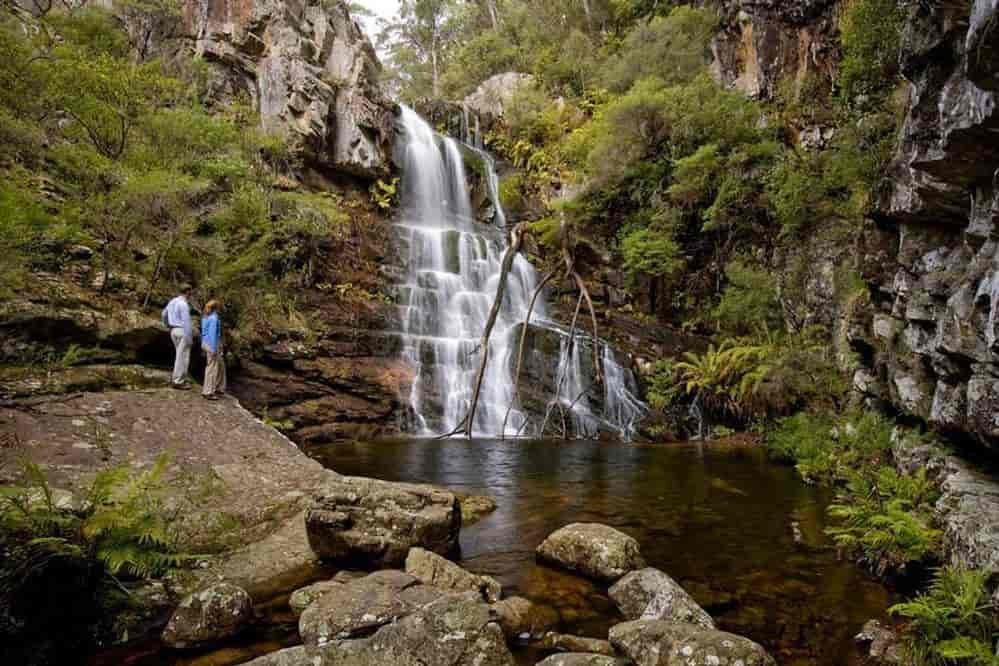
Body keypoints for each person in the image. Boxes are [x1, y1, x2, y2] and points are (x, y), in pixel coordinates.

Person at [162, 284, 194, 389]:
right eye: (190, 292)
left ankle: (178, 378)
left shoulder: (173, 301)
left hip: (173, 330)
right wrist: (189, 337)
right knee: (183, 357)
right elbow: (186, 322)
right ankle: (178, 381)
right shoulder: (183, 304)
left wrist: (167, 324)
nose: (191, 294)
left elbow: (164, 314)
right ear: (187, 292)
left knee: (179, 356)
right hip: (182, 331)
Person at [200, 300, 227, 400]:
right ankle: (208, 392)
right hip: (212, 343)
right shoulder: (214, 318)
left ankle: (218, 388)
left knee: (220, 365)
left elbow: (204, 332)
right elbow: (212, 334)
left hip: (206, 342)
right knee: (212, 368)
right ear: (217, 308)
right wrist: (214, 348)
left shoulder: (206, 317)